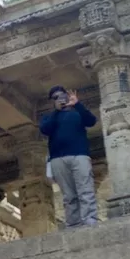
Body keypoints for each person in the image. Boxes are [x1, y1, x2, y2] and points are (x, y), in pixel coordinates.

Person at [40, 85, 99, 229]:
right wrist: (56, 111)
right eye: (55, 98)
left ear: (67, 96)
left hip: (80, 155)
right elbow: (45, 129)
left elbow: (91, 121)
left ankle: (89, 219)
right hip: (58, 159)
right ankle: (73, 223)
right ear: (52, 101)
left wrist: (77, 104)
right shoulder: (49, 117)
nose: (60, 99)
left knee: (85, 189)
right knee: (68, 194)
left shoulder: (78, 113)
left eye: (62, 96)